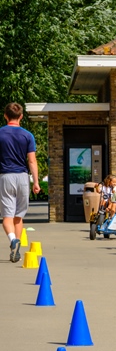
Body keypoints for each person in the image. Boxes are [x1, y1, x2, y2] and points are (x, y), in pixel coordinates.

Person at [0, 103, 40, 263]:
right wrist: (36, 181)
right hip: (23, 177)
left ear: (5, 115)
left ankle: (12, 240)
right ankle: (17, 245)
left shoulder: (0, 133)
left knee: (7, 216)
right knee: (18, 216)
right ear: (21, 116)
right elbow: (32, 161)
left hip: (5, 177)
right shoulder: (27, 135)